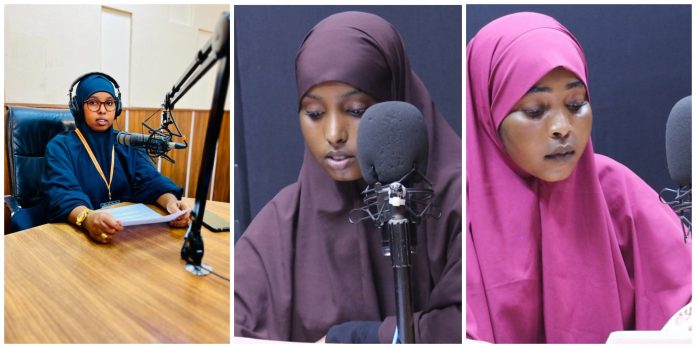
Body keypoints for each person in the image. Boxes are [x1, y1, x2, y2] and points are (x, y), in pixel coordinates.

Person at [234, 11, 461, 343]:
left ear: (394, 99)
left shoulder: (455, 200)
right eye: (314, 113)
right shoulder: (285, 220)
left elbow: (470, 325)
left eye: (356, 110)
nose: (334, 134)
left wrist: (362, 337)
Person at [466, 12, 692, 343]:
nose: (562, 127)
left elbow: (685, 303)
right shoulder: (459, 209)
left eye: (576, 104)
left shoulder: (616, 189)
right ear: (489, 112)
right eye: (535, 110)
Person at [42, 72, 191, 244]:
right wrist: (88, 218)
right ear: (78, 107)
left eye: (109, 103)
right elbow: (62, 194)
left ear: (117, 107)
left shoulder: (124, 142)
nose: (103, 110)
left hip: (124, 236)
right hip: (76, 237)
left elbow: (151, 182)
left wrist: (171, 205)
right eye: (93, 102)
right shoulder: (60, 147)